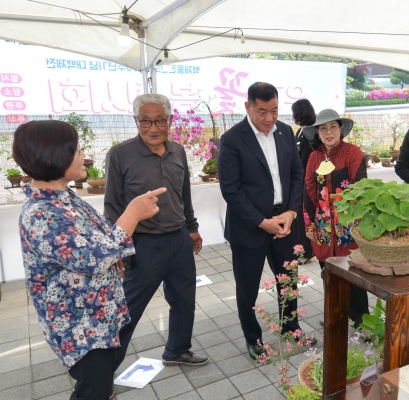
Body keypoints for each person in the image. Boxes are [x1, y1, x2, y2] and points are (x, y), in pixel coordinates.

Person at [15, 120, 165, 400]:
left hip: (97, 319)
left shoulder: (64, 198)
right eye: (77, 150)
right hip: (79, 327)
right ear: (54, 155)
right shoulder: (42, 213)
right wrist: (132, 214)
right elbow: (94, 259)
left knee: (101, 385)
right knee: (93, 391)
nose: (84, 156)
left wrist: (116, 251)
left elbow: (101, 236)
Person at [104, 93, 208, 368]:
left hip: (179, 240)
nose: (153, 128)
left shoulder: (178, 151)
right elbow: (112, 206)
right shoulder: (120, 154)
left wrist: (192, 229)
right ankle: (103, 374)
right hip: (143, 245)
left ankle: (177, 351)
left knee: (184, 301)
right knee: (128, 311)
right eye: (145, 121)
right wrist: (117, 250)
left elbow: (183, 195)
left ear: (169, 120)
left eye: (159, 120)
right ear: (136, 121)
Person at [217, 82, 308, 360]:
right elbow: (231, 189)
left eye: (275, 111)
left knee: (288, 280)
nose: (269, 118)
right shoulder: (232, 139)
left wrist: (291, 213)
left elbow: (297, 174)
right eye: (262, 112)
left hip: (284, 221)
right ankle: (253, 338)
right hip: (249, 227)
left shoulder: (285, 132)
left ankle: (290, 326)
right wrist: (261, 221)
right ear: (248, 107)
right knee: (247, 287)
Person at [302, 109, 369, 327]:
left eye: (333, 127)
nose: (328, 132)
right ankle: (335, 315)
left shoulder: (352, 153)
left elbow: (361, 188)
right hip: (322, 225)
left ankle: (361, 320)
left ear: (341, 129)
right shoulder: (314, 157)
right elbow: (309, 192)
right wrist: (310, 224)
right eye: (323, 128)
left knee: (354, 272)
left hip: (348, 224)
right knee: (328, 272)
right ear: (318, 133)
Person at [292, 99, 317, 260]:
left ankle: (307, 252)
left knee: (304, 216)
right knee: (298, 217)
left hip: (307, 181)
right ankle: (300, 249)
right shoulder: (300, 132)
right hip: (298, 180)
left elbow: (307, 159)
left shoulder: (311, 132)